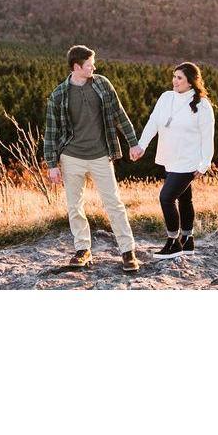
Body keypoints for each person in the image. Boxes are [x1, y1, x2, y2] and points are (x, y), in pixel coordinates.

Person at [44, 45, 145, 273]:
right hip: (71, 158)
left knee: (114, 204)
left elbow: (119, 114)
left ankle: (128, 251)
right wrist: (52, 164)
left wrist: (133, 142)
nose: (94, 67)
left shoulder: (102, 84)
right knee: (75, 206)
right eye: (89, 65)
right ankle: (82, 250)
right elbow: (50, 132)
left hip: (101, 155)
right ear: (77, 67)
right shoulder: (59, 95)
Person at [136, 61, 215, 259]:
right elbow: (153, 122)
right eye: (174, 76)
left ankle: (173, 243)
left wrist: (204, 163)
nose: (175, 81)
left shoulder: (202, 105)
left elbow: (208, 136)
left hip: (189, 161)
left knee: (166, 198)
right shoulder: (166, 97)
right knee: (184, 198)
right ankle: (188, 240)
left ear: (190, 82)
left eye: (179, 77)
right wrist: (142, 145)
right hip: (170, 158)